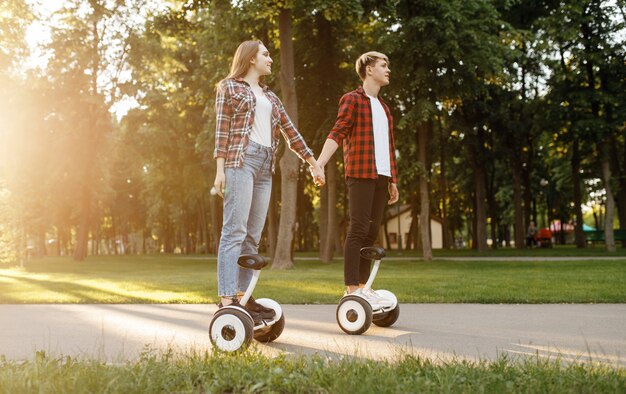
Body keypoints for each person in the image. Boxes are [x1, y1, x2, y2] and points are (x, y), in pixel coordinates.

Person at [213, 40, 325, 323]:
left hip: (265, 166)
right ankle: (227, 300)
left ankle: (244, 297)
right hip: (241, 160)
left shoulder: (271, 97)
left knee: (252, 237)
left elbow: (290, 132)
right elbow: (221, 132)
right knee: (234, 232)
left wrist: (313, 163)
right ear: (251, 58)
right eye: (266, 54)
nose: (270, 59)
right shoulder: (230, 87)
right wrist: (220, 170)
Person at [315, 51, 399, 309]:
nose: (388, 70)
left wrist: (392, 180)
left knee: (372, 232)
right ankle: (351, 288)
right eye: (383, 65)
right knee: (358, 228)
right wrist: (319, 162)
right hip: (361, 172)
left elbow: (389, 145)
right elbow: (338, 132)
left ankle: (363, 288)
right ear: (368, 69)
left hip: (381, 176)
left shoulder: (384, 108)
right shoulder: (352, 100)